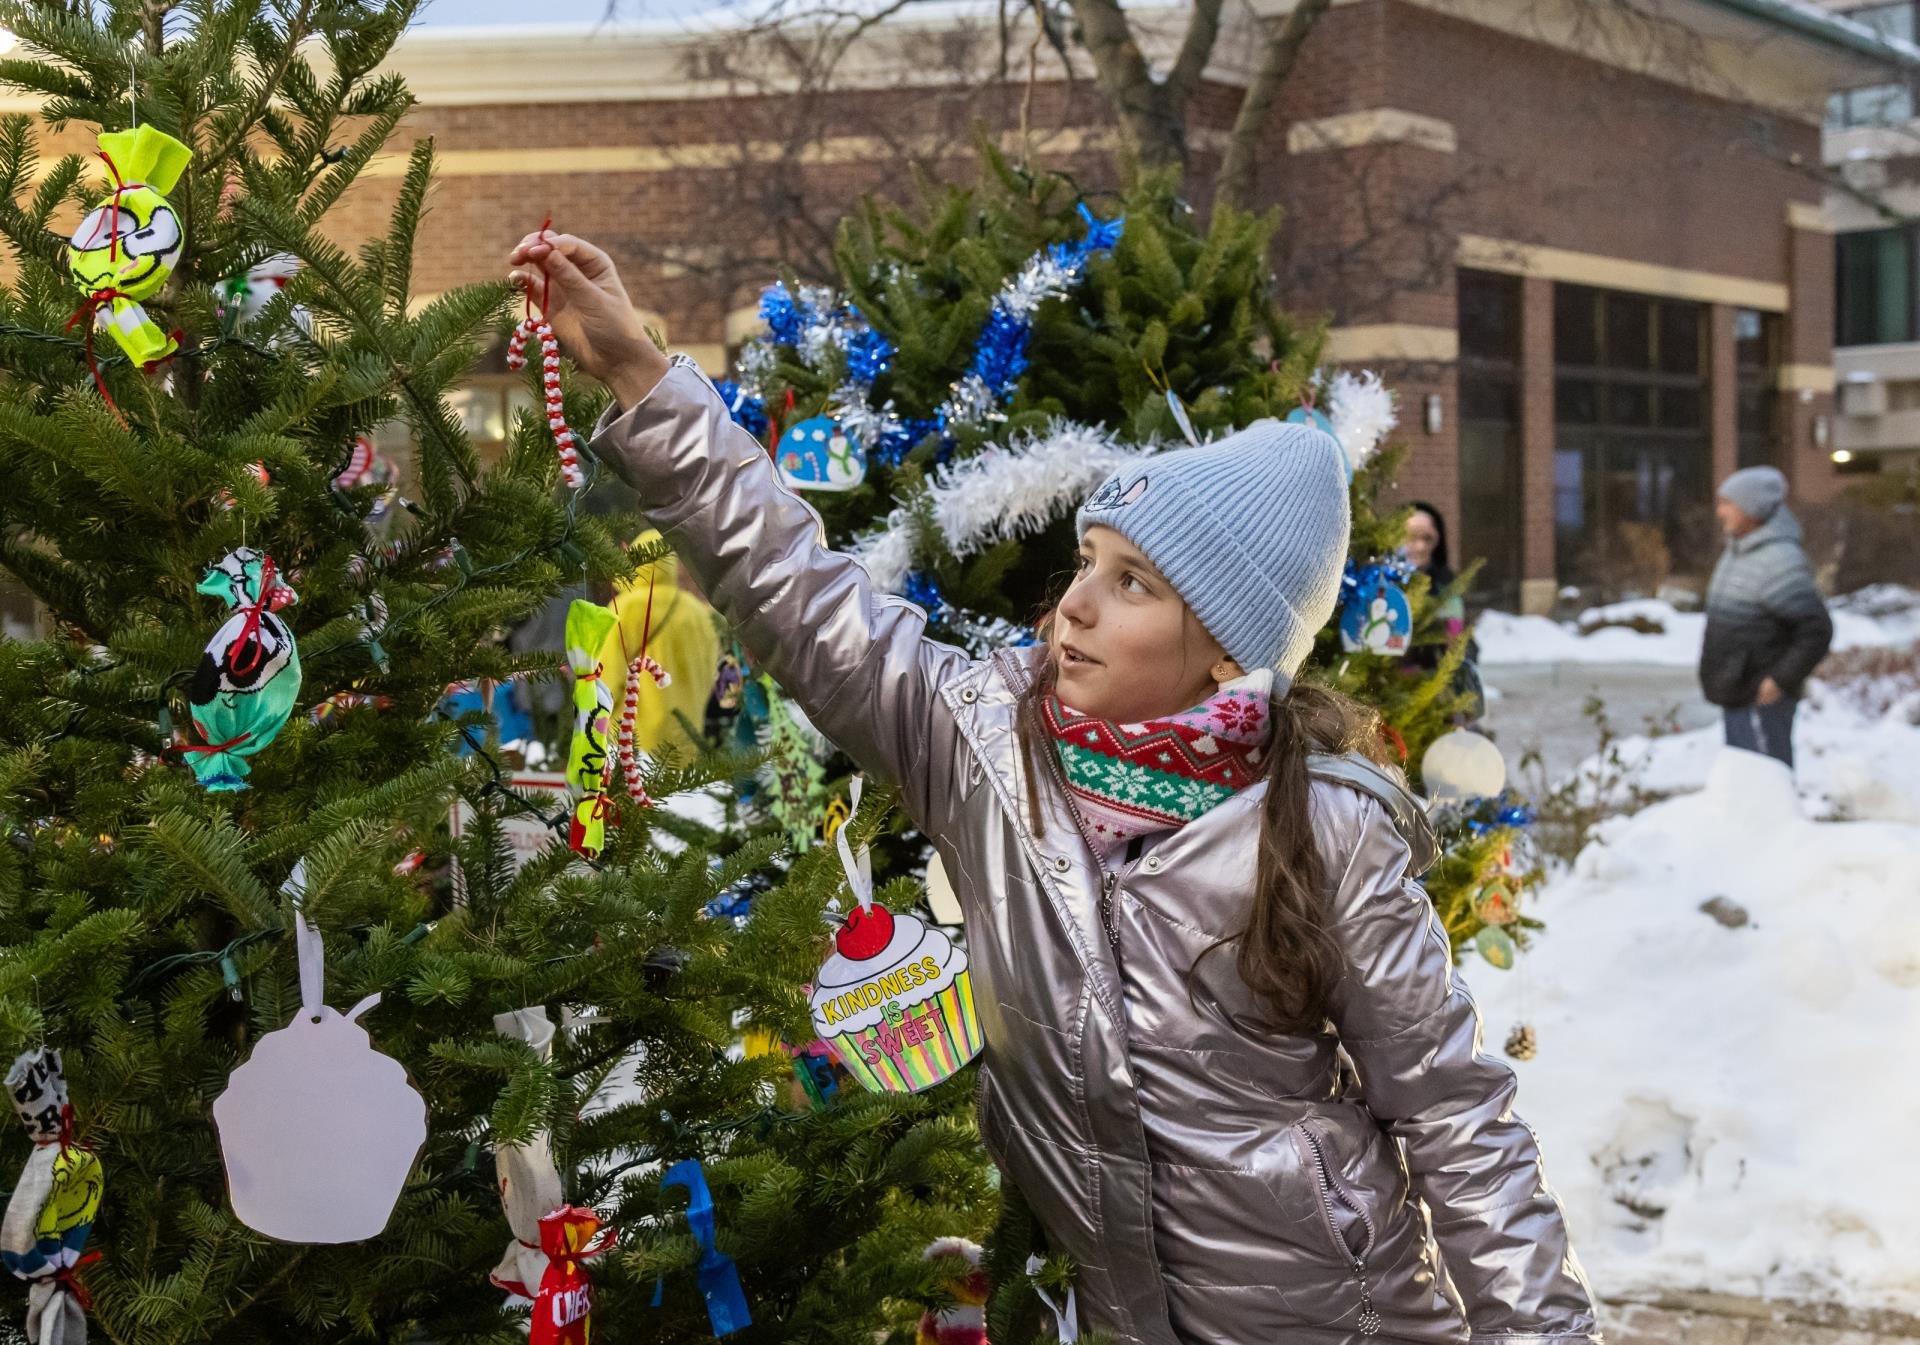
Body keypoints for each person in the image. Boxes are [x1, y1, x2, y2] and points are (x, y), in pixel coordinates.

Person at [509, 230, 1600, 1345]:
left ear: (1228, 648)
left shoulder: (1323, 832)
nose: (1074, 604)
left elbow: (1456, 1115)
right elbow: (797, 596)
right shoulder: (983, 750)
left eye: (1131, 583)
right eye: (1088, 563)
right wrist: (645, 375)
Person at [1700, 466, 1832, 769]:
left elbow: (1816, 630)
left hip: (1763, 701)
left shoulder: (1779, 561)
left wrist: (1778, 681)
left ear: (1752, 509)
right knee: (1745, 781)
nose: (1720, 512)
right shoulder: (1738, 551)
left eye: (1727, 503)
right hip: (1738, 692)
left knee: (1768, 783)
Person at [597, 529, 721, 760]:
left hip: (632, 742)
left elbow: (606, 679)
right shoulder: (698, 613)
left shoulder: (624, 609)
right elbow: (711, 671)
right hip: (686, 735)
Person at [1398, 501, 1483, 723]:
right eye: (1410, 537)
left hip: (1437, 689)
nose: (1418, 546)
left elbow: (1455, 638)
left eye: (1426, 538)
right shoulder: (1383, 583)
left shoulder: (1446, 584)